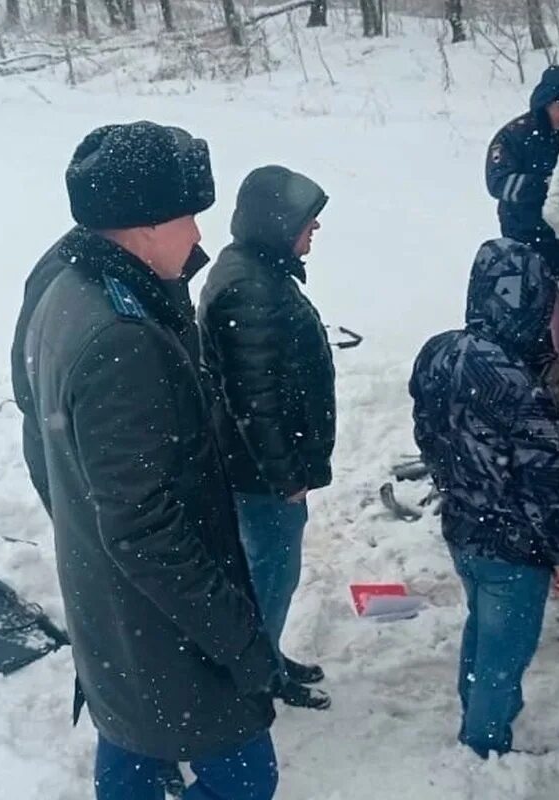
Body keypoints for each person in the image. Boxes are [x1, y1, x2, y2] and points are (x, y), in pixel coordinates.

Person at [10, 121, 282, 800]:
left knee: (133, 743)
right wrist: (241, 639)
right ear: (142, 226)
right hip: (163, 624)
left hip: (111, 607)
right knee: (246, 778)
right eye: (190, 218)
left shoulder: (62, 279)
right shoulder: (121, 341)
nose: (199, 239)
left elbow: (37, 426)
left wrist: (82, 525)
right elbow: (143, 530)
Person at [409, 238, 559, 759]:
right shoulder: (516, 382)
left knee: (482, 627)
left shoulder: (438, 352)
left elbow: (429, 432)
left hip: (463, 527)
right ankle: (485, 746)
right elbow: (544, 480)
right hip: (514, 545)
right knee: (504, 656)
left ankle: (474, 712)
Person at [197, 165, 335, 711]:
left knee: (269, 574)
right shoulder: (249, 289)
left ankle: (266, 657)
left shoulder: (258, 270)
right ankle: (253, 678)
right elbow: (255, 402)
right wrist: (287, 479)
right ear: (278, 223)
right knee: (269, 578)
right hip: (260, 474)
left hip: (259, 467)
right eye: (309, 220)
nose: (316, 230)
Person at [485, 65, 559, 281]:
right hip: (524, 235)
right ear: (545, 103)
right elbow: (498, 182)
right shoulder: (513, 136)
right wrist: (548, 185)